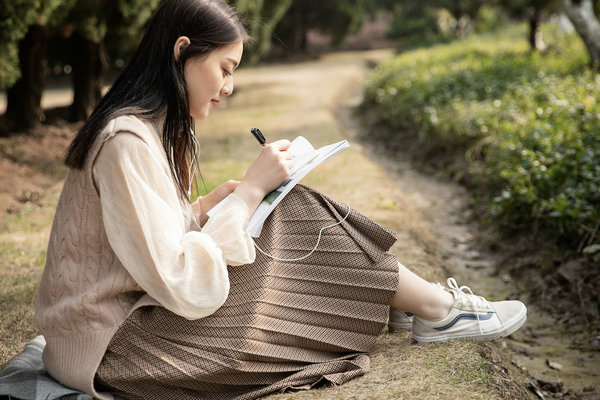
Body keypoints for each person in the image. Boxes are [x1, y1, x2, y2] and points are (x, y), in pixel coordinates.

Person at [34, 0, 527, 399]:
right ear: (182, 51)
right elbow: (180, 281)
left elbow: (141, 239)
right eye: (224, 69)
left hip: (128, 331)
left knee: (283, 204)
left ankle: (425, 306)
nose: (227, 87)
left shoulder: (145, 131)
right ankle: (435, 309)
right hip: (119, 351)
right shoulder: (126, 140)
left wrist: (207, 207)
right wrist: (247, 193)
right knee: (287, 210)